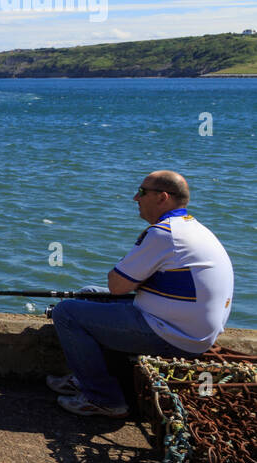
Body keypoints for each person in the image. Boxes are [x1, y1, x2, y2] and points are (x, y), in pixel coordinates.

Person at [48, 170, 234, 418]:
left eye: (142, 192)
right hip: (188, 326)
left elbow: (117, 285)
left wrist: (132, 270)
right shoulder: (192, 227)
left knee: (66, 313)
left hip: (175, 334)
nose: (136, 198)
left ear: (162, 197)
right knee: (88, 295)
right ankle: (84, 378)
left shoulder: (164, 233)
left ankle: (104, 399)